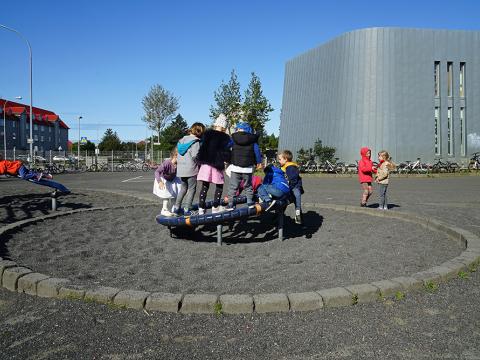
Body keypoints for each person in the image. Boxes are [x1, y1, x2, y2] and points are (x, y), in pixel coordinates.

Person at [196, 114, 231, 214]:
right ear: (224, 126)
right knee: (219, 184)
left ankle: (201, 207)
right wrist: (228, 159)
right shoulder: (225, 138)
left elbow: (202, 148)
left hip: (206, 163)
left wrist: (200, 159)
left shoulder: (207, 134)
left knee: (205, 185)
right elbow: (226, 152)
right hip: (216, 164)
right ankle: (215, 206)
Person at [225, 122, 262, 210]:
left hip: (235, 167)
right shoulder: (252, 140)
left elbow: (226, 147)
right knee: (248, 186)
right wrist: (258, 162)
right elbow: (257, 152)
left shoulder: (233, 138)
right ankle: (250, 202)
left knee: (233, 186)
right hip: (247, 168)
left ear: (238, 129)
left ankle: (230, 204)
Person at [173, 122, 206, 216]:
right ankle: (187, 209)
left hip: (181, 169)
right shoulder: (195, 142)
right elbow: (195, 156)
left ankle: (176, 208)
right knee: (192, 189)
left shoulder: (181, 140)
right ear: (200, 132)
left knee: (183, 188)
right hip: (191, 169)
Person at [278, 150, 304, 224]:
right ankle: (279, 217)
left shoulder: (290, 167)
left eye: (280, 159)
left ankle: (298, 215)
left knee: (295, 199)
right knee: (285, 203)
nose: (279, 161)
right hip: (289, 187)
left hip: (293, 187)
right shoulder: (284, 167)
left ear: (286, 159)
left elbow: (293, 180)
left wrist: (288, 188)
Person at [154, 148, 181, 217]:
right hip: (164, 179)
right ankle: (164, 209)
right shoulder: (167, 163)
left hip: (173, 179)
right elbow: (157, 172)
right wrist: (159, 182)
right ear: (175, 155)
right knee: (166, 194)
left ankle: (174, 209)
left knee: (175, 194)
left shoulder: (179, 163)